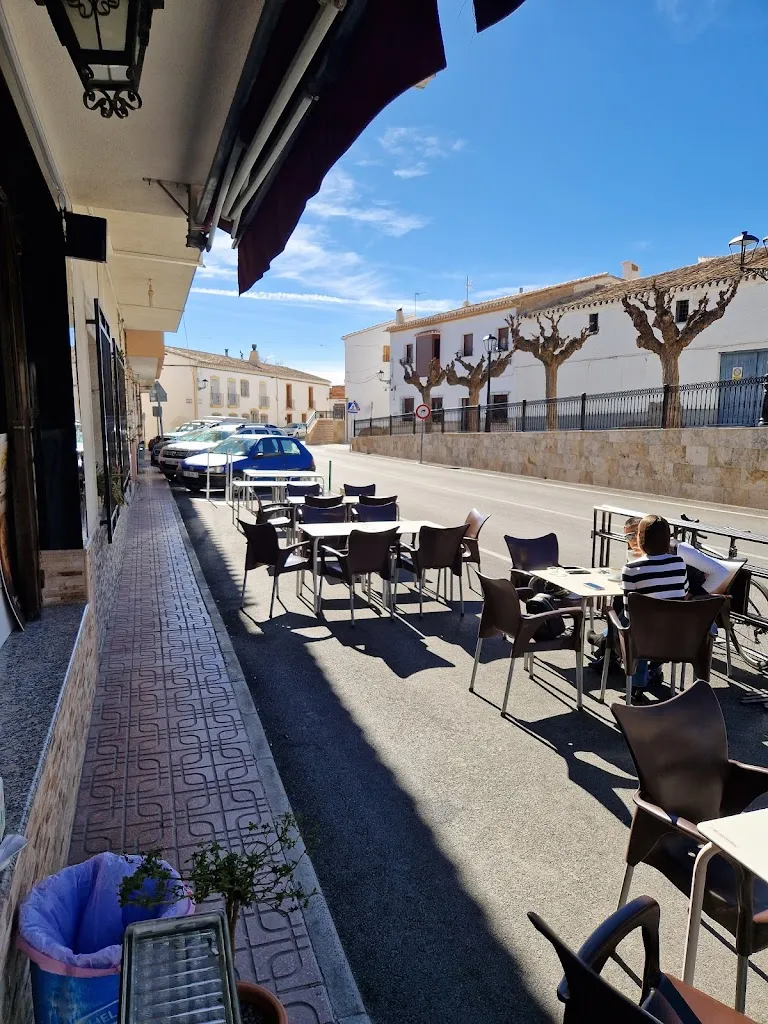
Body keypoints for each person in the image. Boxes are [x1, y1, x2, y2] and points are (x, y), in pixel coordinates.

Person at [621, 514, 688, 702]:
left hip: (644, 640)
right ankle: (653, 672)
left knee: (628, 621)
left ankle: (636, 682)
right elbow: (683, 593)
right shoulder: (679, 563)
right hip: (675, 639)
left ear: (640, 540)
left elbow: (629, 614)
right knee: (649, 622)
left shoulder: (631, 569)